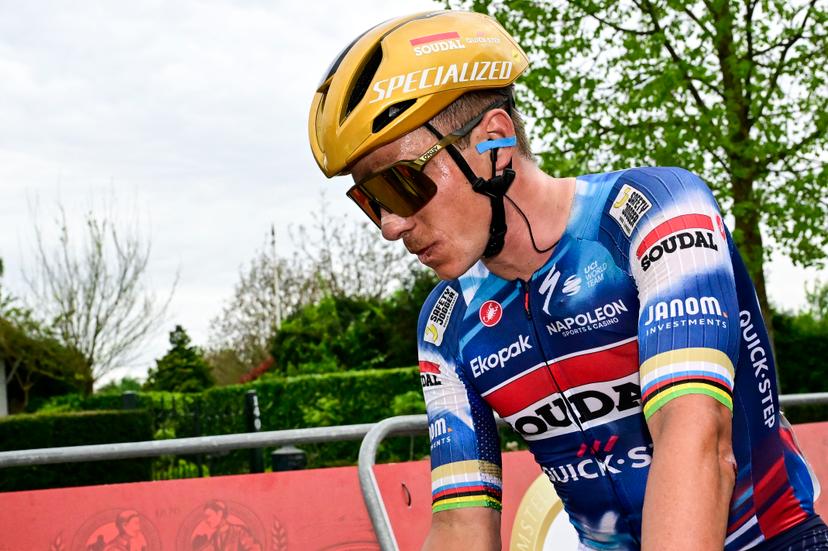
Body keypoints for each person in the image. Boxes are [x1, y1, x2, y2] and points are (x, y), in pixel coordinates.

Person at [307, 10, 826, 551]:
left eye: (398, 185)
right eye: (369, 201)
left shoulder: (654, 214)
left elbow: (696, 442)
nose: (390, 225)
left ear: (493, 143)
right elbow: (462, 524)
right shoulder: (447, 322)